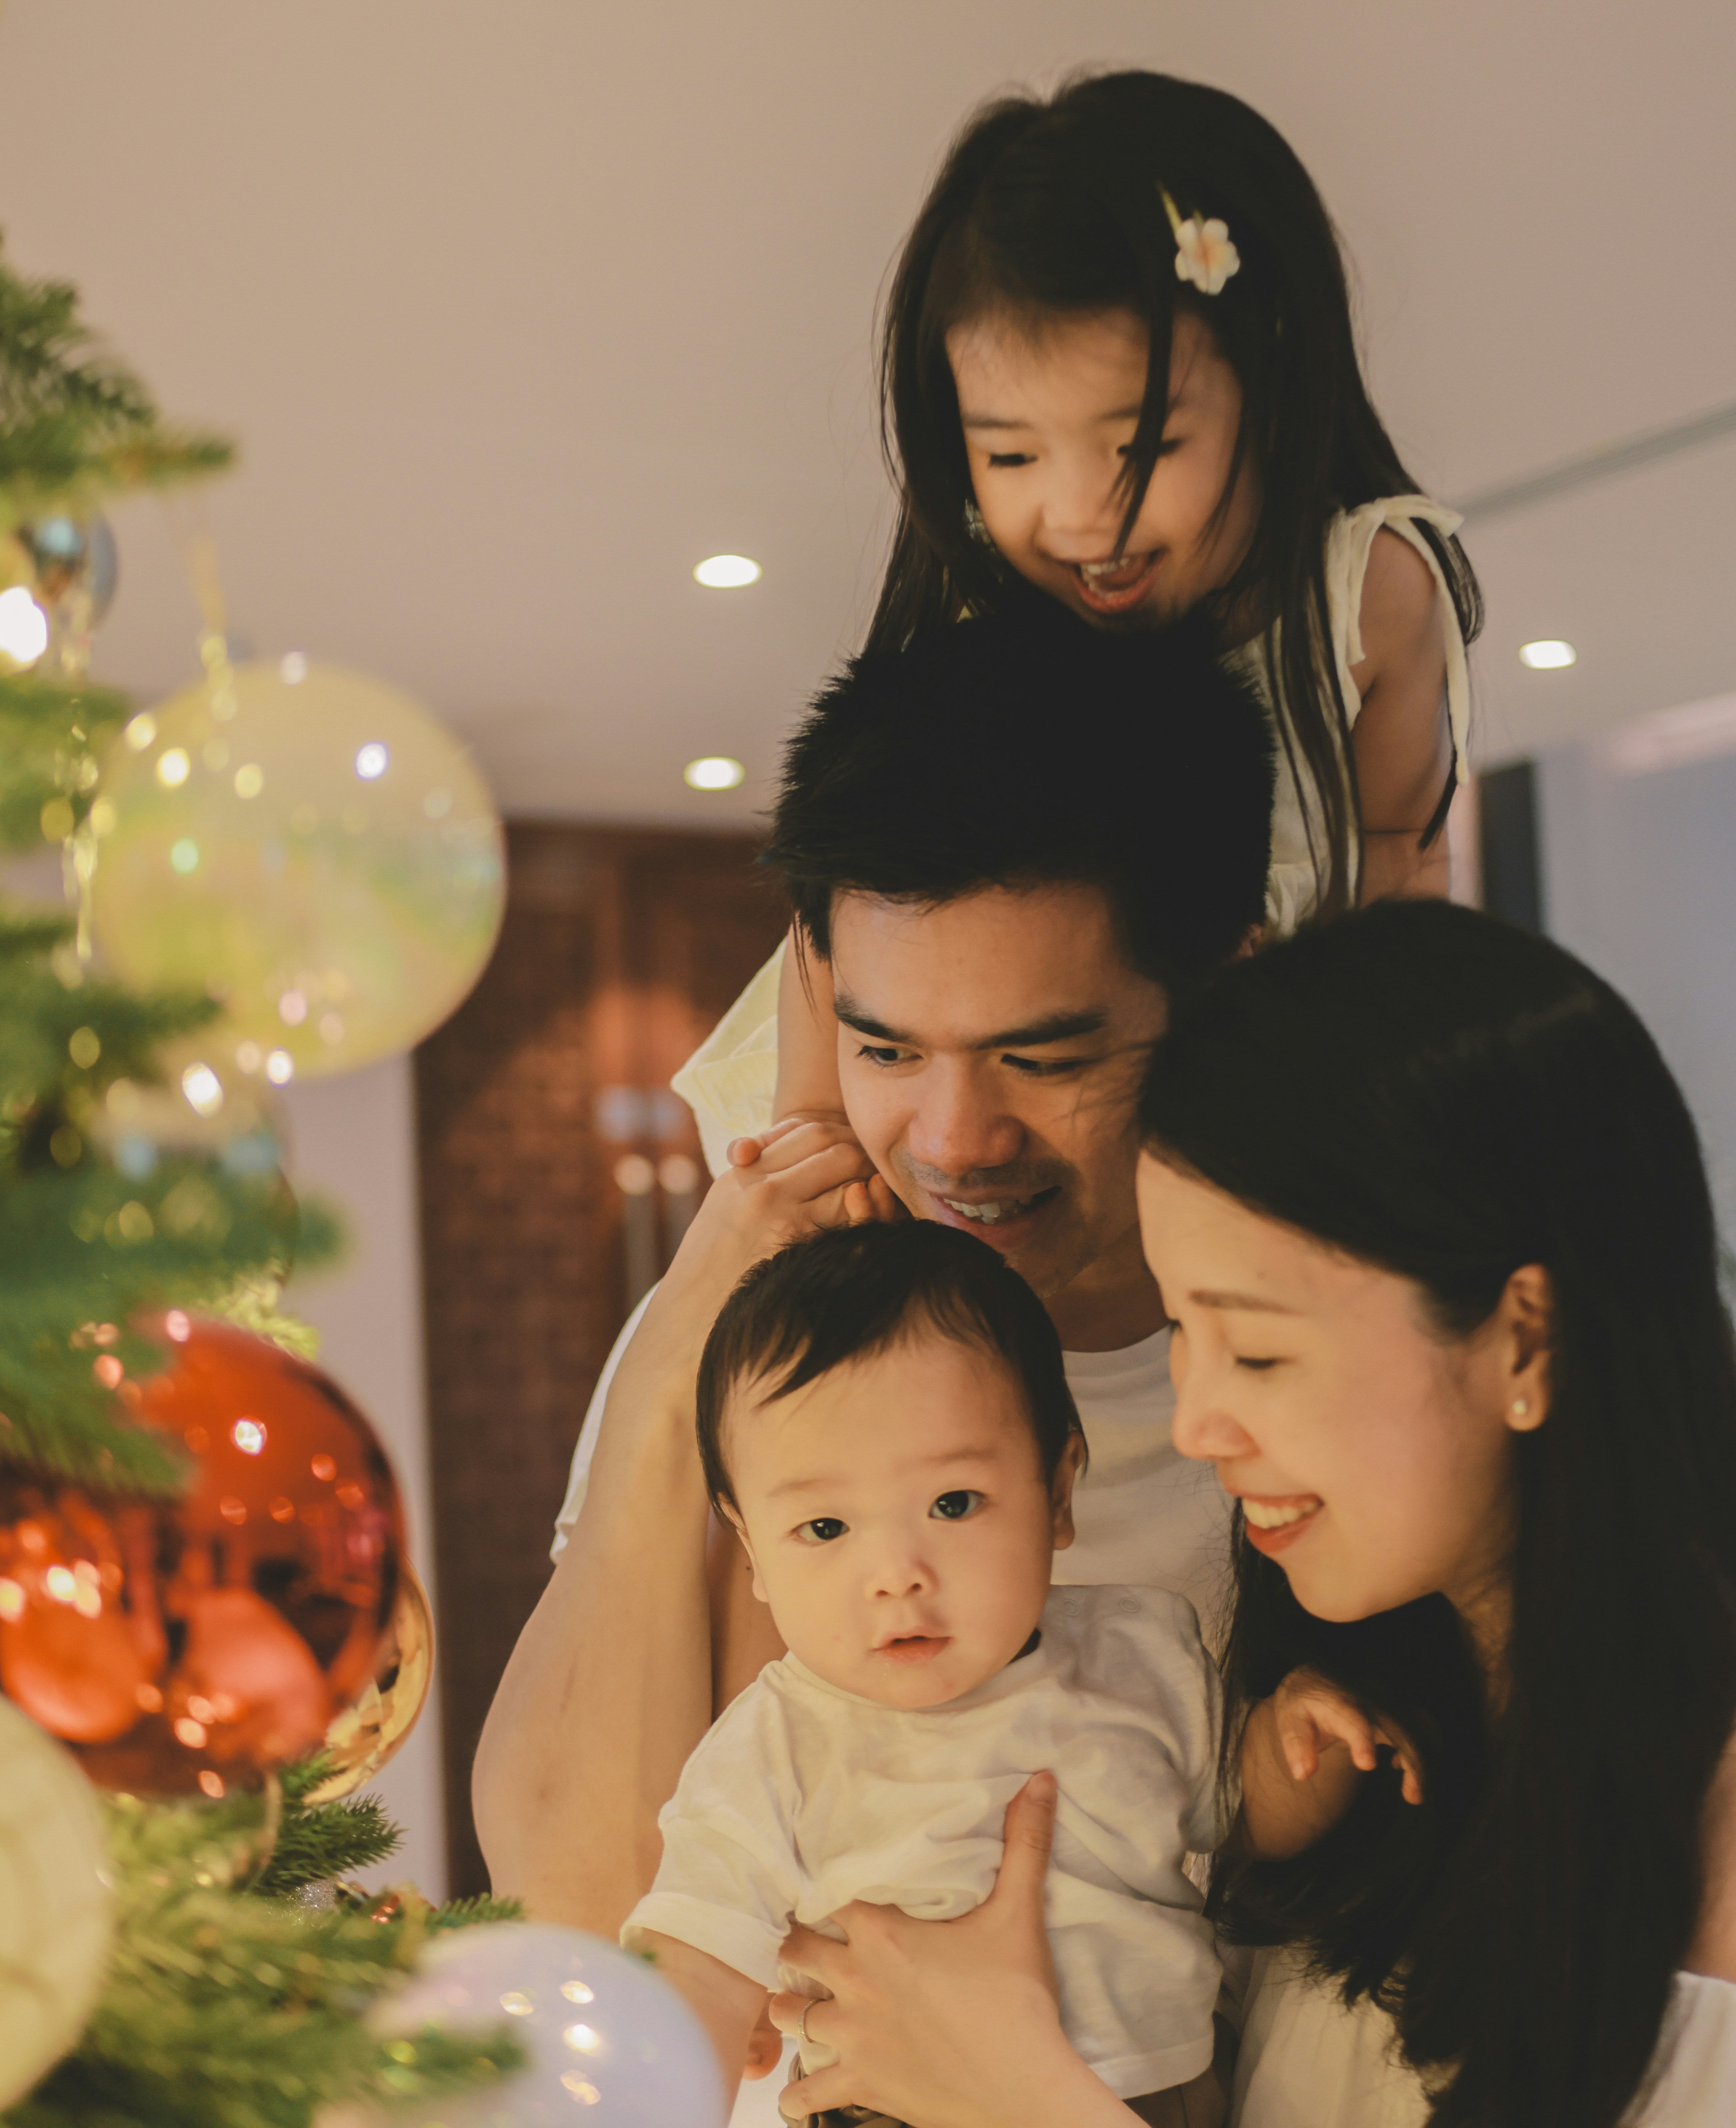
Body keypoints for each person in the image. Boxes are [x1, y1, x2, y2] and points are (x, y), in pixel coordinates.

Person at [758, 903, 1736, 2128]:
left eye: (1255, 1353)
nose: (1197, 1424)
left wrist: (1024, 2096)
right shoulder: (1397, 1674)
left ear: (1525, 1335)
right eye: (1182, 1331)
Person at [473, 602, 1285, 1940]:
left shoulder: (1293, 1355)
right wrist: (702, 1313)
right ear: (817, 986)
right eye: (889, 1050)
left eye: (1046, 1057)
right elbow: (577, 1905)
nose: (955, 1143)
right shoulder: (745, 1317)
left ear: (1221, 998)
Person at [676, 69, 1481, 1169]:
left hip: (1246, 1049)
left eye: (1141, 448)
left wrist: (1383, 1078)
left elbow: (1397, 844)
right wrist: (821, 1135)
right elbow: (852, 909)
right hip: (1001, 1065)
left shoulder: (1369, 589)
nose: (1080, 517)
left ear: (1273, 379)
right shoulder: (985, 606)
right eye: (1011, 454)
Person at [629, 1222, 1245, 2128]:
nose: (896, 1571)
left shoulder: (1144, 1650)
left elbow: (1244, 1807)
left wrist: (1298, 1752)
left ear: (1057, 1492)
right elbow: (693, 1951)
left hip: (1172, 2113)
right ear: (751, 1548)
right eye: (824, 1528)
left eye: (953, 1502)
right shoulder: (780, 1741)